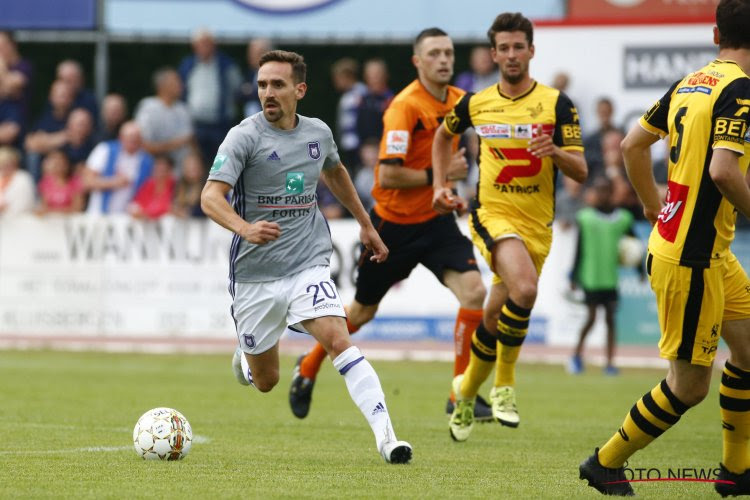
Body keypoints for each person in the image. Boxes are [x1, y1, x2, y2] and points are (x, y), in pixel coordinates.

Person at [200, 49, 412, 464]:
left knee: (338, 339)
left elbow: (335, 172)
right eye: (262, 85)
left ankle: (388, 439)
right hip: (255, 275)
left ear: (299, 89)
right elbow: (210, 196)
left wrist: (366, 225)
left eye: (277, 84)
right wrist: (245, 228)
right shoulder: (243, 136)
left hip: (307, 263)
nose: (268, 93)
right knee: (266, 381)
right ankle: (247, 360)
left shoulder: (318, 133)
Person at [579, 1, 750, 496]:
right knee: (690, 386)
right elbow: (722, 170)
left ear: (717, 32)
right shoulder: (740, 91)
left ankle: (737, 471)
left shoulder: (692, 82)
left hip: (708, 253)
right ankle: (604, 462)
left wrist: (655, 206)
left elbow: (633, 145)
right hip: (692, 260)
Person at [287, 27, 490, 422]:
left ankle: (459, 394)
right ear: (418, 61)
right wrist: (441, 175)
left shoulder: (461, 102)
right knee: (361, 314)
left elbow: (468, 148)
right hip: (392, 228)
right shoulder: (404, 107)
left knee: (474, 291)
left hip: (436, 223)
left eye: (448, 52)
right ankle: (308, 366)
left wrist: (457, 181)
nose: (444, 59)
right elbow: (388, 176)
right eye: (434, 53)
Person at [432, 12, 587, 441]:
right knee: (526, 289)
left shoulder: (558, 104)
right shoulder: (476, 103)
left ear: (531, 51)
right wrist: (440, 184)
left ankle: (464, 391)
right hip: (492, 215)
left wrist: (554, 150)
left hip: (538, 224)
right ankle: (504, 385)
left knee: (497, 316)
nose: (512, 54)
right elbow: (443, 137)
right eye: (504, 47)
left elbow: (581, 171)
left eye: (520, 46)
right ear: (494, 53)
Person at [568, 176, 635, 376]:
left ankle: (609, 363)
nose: (602, 194)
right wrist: (574, 276)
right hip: (590, 277)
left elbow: (634, 245)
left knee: (610, 320)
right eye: (599, 190)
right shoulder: (585, 218)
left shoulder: (623, 218)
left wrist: (640, 269)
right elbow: (578, 249)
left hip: (610, 278)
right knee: (590, 318)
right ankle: (576, 356)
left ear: (612, 192)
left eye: (606, 190)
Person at [178, 28, 242, 166]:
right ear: (194, 46)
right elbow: (180, 90)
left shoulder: (226, 64)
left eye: (207, 43)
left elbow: (237, 88)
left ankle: (220, 186)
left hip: (220, 123)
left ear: (214, 45)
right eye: (200, 44)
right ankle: (201, 187)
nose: (204, 47)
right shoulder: (188, 65)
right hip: (195, 123)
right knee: (197, 162)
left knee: (221, 160)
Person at [83, 121, 153, 215]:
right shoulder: (105, 149)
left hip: (127, 217)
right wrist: (113, 182)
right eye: (130, 139)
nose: (133, 143)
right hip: (99, 214)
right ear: (121, 138)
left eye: (136, 140)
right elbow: (86, 181)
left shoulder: (146, 160)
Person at [135, 67, 194, 173]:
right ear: (162, 86)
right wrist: (176, 143)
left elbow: (190, 143)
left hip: (182, 171)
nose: (181, 85)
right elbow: (144, 145)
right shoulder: (148, 108)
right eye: (176, 81)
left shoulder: (183, 109)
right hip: (154, 170)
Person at [331, 57, 367, 170]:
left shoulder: (361, 93)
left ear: (347, 76)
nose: (336, 82)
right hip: (348, 144)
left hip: (359, 145)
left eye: (338, 78)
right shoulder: (347, 96)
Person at [355, 59, 393, 146]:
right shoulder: (360, 100)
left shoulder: (392, 100)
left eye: (378, 73)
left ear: (386, 75)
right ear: (365, 76)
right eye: (371, 73)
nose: (375, 76)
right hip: (363, 150)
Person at [0, 146, 34, 217]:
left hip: (20, 217)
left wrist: (5, 209)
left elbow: (25, 203)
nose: (4, 167)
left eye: (7, 163)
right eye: (2, 163)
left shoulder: (23, 178)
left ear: (14, 163)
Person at [172, 150, 205, 218]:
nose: (192, 168)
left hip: (202, 225)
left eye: (195, 165)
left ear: (201, 167)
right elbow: (173, 204)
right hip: (184, 225)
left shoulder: (206, 186)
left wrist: (189, 213)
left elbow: (207, 209)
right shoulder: (180, 186)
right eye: (188, 165)